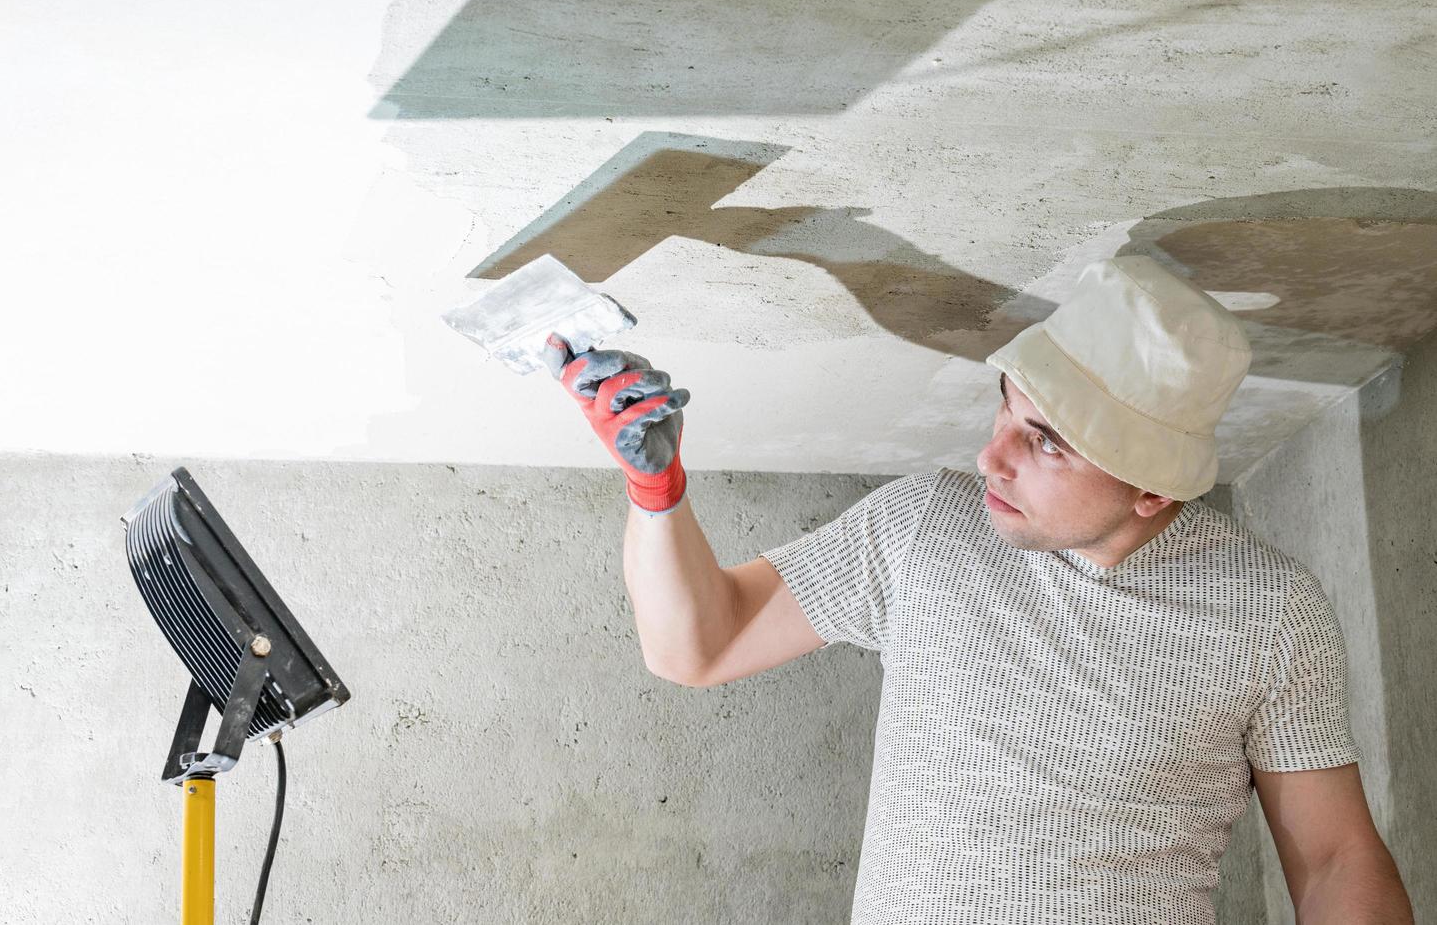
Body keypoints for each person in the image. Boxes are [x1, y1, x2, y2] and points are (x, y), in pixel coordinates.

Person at [542, 255, 1413, 924]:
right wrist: (656, 492)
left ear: (1152, 491)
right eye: (1007, 407)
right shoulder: (926, 527)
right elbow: (699, 645)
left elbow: (1335, 858)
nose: (991, 455)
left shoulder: (1266, 610)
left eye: (1046, 442)